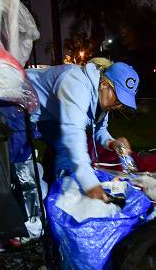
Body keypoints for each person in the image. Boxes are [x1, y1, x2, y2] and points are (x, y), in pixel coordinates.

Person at [27, 58, 139, 202]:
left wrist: (113, 143)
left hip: (48, 116)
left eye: (123, 103)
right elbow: (73, 134)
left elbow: (100, 129)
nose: (118, 106)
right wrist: (89, 182)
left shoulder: (102, 98)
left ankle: (61, 190)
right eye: (118, 99)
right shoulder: (77, 83)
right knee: (22, 167)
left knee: (65, 152)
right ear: (105, 84)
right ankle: (63, 198)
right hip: (19, 103)